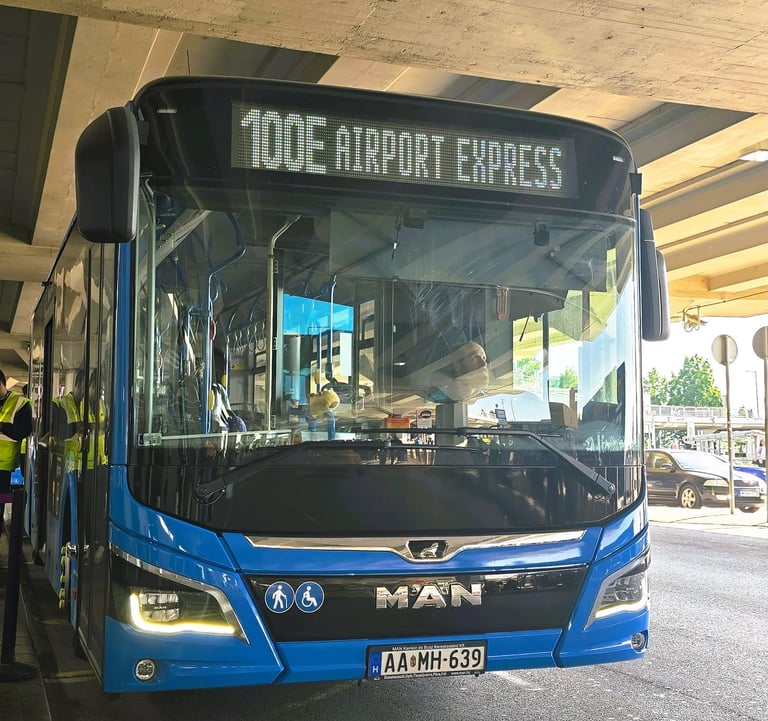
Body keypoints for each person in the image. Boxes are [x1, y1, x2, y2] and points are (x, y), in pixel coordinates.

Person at [0, 369, 33, 534]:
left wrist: (2, 427)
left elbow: (23, 430)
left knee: (2, 498)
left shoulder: (20, 403)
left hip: (4, 464)